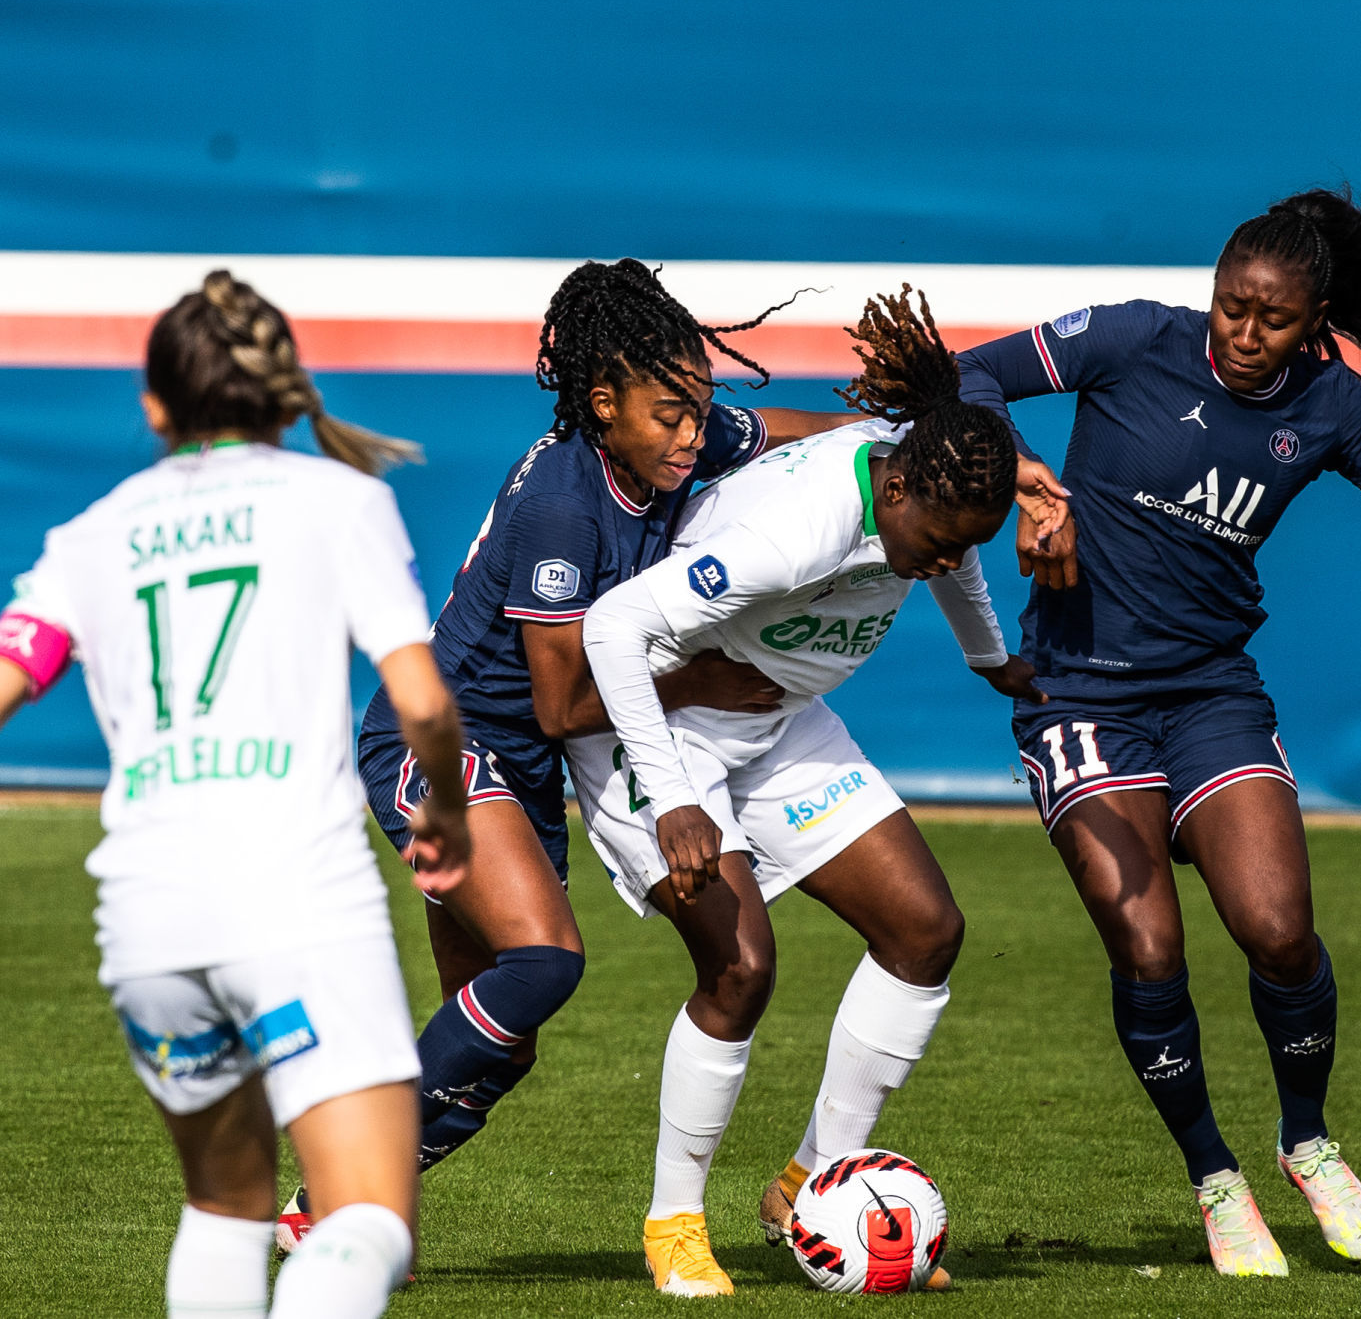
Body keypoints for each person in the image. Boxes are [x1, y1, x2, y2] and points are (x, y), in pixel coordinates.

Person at [316, 259, 1070, 1243]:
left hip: (533, 770)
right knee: (542, 966)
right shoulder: (562, 502)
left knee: (499, 1048)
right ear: (601, 403)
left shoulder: (685, 436)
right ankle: (346, 1195)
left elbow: (803, 437)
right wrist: (704, 686)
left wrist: (927, 446)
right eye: (671, 413)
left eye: (698, 409)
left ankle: (344, 1207)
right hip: (453, 745)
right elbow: (559, 702)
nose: (694, 433)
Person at [955, 186, 1361, 1277]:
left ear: (1314, 320)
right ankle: (1214, 1177)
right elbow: (969, 377)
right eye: (1230, 308)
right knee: (1148, 948)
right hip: (1078, 695)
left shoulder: (1336, 406)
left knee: (1277, 931)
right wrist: (1025, 480)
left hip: (1209, 693)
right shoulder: (1129, 339)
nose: (1244, 335)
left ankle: (1307, 1142)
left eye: (1273, 319)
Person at [0, 271, 471, 1319]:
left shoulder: (89, 537)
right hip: (295, 901)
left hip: (147, 927)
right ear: (280, 392)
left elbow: (8, 676)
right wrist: (442, 810)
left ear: (156, 405)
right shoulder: (339, 501)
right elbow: (424, 704)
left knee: (224, 1211)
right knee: (364, 1224)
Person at [579, 287, 1041, 1297]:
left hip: (778, 723)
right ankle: (672, 1226)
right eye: (939, 536)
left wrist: (990, 660)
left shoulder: (925, 488)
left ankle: (810, 1182)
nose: (949, 558)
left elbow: (951, 563)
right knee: (741, 968)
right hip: (670, 734)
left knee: (925, 928)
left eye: (969, 540)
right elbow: (612, 629)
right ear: (900, 488)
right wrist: (673, 799)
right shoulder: (798, 531)